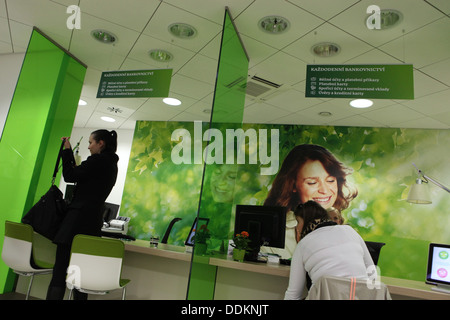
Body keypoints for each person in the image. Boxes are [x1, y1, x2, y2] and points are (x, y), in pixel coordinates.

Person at [46, 129, 119, 300]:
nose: (88, 147)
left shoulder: (97, 161)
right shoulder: (112, 165)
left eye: (90, 142)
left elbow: (70, 175)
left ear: (101, 143)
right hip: (93, 222)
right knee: (80, 275)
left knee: (60, 270)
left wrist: (66, 151)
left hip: (76, 220)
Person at [263, 144, 357, 258]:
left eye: (331, 180)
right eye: (312, 182)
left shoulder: (342, 231)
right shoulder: (274, 233)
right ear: (293, 185)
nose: (324, 190)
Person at [284, 201, 375, 300]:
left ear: (306, 221)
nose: (297, 227)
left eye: (298, 222)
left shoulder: (303, 245)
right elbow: (372, 272)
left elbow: (293, 295)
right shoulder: (350, 231)